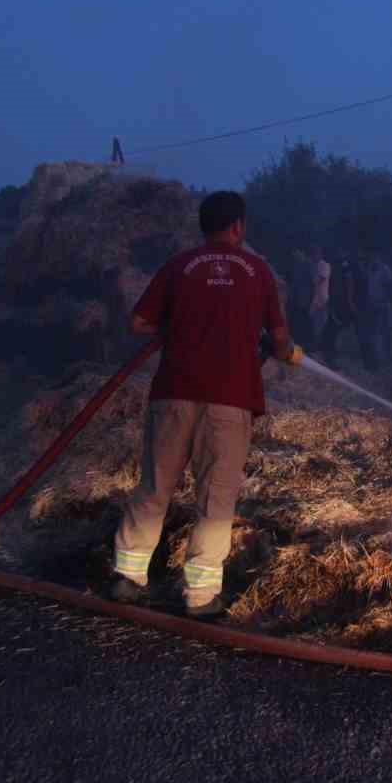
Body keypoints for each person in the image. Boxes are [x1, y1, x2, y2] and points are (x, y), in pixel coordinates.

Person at [109, 191, 301, 617]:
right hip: (229, 400)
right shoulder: (257, 270)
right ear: (238, 226)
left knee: (155, 485)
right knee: (215, 496)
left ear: (203, 226)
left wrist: (183, 324)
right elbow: (281, 336)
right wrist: (285, 353)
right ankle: (199, 596)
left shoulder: (179, 266)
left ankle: (128, 577)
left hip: (174, 391)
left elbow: (139, 322)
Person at [287, 247, 316, 351]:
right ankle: (295, 347)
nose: (294, 255)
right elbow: (294, 283)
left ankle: (306, 349)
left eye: (295, 252)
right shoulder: (296, 265)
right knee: (295, 325)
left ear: (301, 252)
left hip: (304, 302)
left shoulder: (309, 264)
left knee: (303, 327)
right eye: (293, 254)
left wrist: (312, 302)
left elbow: (314, 284)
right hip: (295, 301)